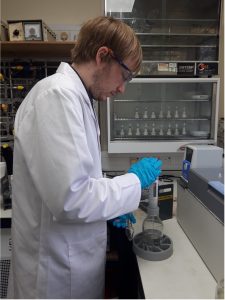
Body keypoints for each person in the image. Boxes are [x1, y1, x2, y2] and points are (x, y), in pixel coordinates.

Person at [7, 16, 162, 299]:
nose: (122, 88)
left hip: (73, 266)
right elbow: (71, 198)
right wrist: (132, 182)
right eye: (125, 75)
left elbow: (80, 179)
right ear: (103, 56)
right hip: (53, 277)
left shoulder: (79, 99)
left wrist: (113, 207)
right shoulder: (56, 96)